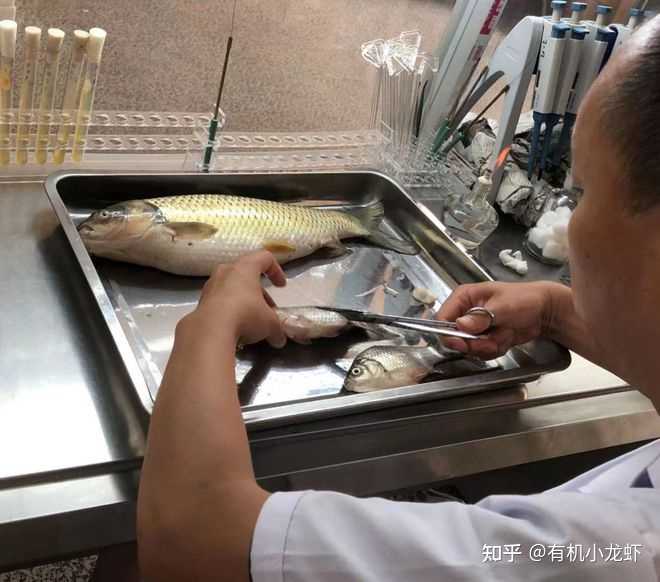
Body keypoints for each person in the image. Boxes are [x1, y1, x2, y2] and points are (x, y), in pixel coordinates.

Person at [136, 16, 660, 582]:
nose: (568, 219)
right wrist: (559, 311)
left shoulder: (612, 551)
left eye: (580, 194)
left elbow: (191, 539)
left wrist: (208, 325)